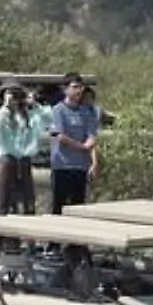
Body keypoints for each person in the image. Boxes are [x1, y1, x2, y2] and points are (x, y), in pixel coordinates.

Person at [0, 79, 46, 216]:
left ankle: (29, 223)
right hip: (8, 158)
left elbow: (47, 120)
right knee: (3, 199)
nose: (13, 97)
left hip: (25, 159)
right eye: (9, 93)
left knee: (29, 200)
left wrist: (34, 105)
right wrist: (6, 107)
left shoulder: (27, 114)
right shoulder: (0, 114)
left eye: (16, 94)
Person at [49, 72, 100, 214]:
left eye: (81, 87)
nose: (79, 91)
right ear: (65, 89)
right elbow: (60, 136)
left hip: (80, 166)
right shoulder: (58, 110)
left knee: (78, 208)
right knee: (59, 208)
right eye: (75, 87)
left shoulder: (86, 112)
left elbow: (91, 138)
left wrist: (94, 163)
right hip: (62, 166)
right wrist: (82, 146)